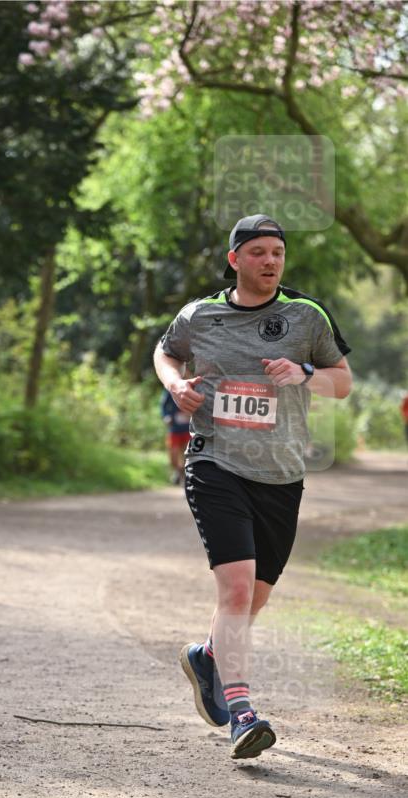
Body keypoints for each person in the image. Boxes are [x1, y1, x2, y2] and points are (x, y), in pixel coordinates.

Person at [153, 215, 352, 760]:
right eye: (259, 252)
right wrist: (176, 384)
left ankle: (208, 658)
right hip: (215, 461)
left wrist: (307, 375)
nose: (270, 261)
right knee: (236, 591)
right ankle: (242, 713)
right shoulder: (201, 314)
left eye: (278, 253)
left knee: (254, 599)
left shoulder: (306, 315)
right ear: (235, 259)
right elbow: (166, 351)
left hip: (281, 475)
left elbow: (343, 381)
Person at [160, 386, 191, 484]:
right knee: (173, 456)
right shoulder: (172, 387)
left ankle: (185, 478)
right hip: (175, 428)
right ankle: (178, 471)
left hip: (188, 429)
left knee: (188, 455)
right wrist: (166, 416)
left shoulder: (193, 386)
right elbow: (163, 405)